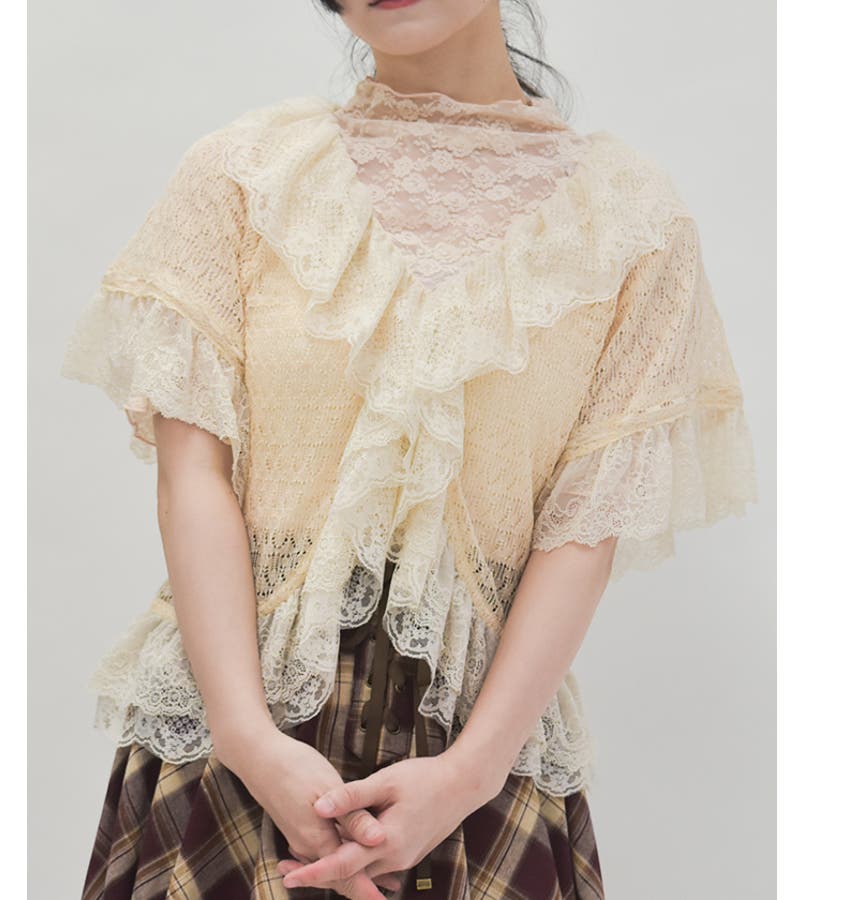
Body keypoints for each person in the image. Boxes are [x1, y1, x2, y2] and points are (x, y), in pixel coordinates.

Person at [60, 1, 759, 897]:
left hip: (475, 761)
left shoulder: (632, 221)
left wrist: (468, 774)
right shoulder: (244, 174)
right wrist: (248, 740)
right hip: (233, 737)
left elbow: (585, 524)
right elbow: (193, 476)